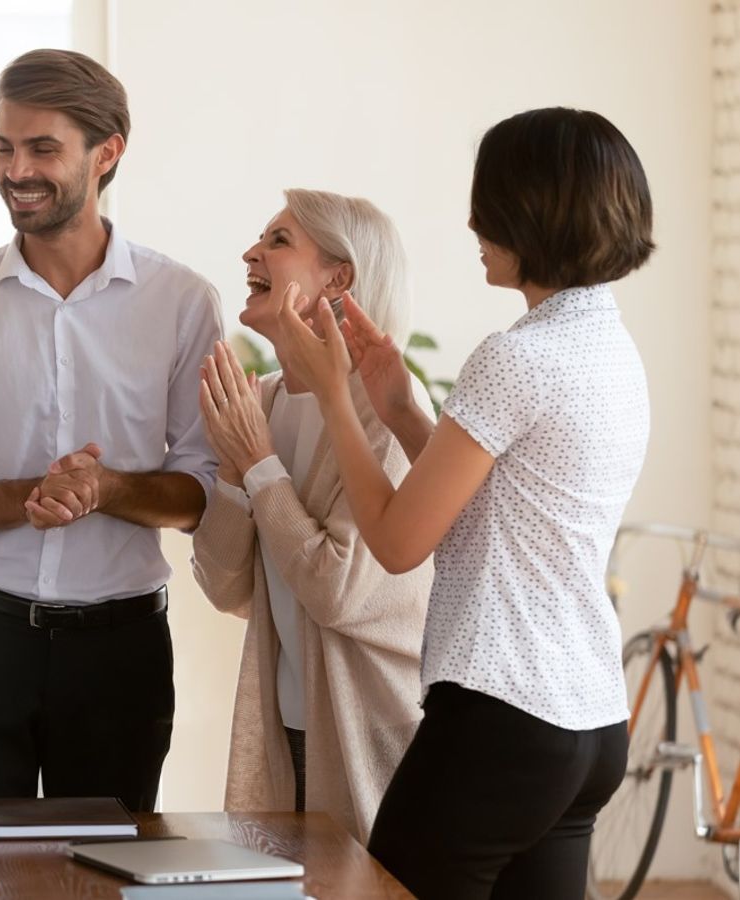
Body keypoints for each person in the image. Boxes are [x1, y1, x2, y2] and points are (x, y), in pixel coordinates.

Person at [274, 108, 653, 899]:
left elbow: (397, 541)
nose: (472, 222)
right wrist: (399, 406)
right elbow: (496, 507)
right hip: (585, 725)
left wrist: (339, 397)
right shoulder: (609, 350)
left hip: (500, 719)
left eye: (487, 201)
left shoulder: (515, 357)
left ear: (529, 210)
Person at [0, 48, 222, 815]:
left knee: (100, 876)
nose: (15, 169)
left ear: (107, 154)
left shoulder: (180, 302)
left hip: (120, 653)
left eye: (42, 148)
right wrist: (33, 497)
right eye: (4, 146)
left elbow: (201, 495)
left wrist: (104, 490)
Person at [191, 188, 431, 842]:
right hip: (287, 729)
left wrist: (259, 465)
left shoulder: (383, 414)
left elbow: (338, 591)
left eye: (277, 241)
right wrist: (238, 470)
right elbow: (224, 586)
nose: (250, 252)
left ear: (338, 278)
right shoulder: (260, 403)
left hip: (375, 731)